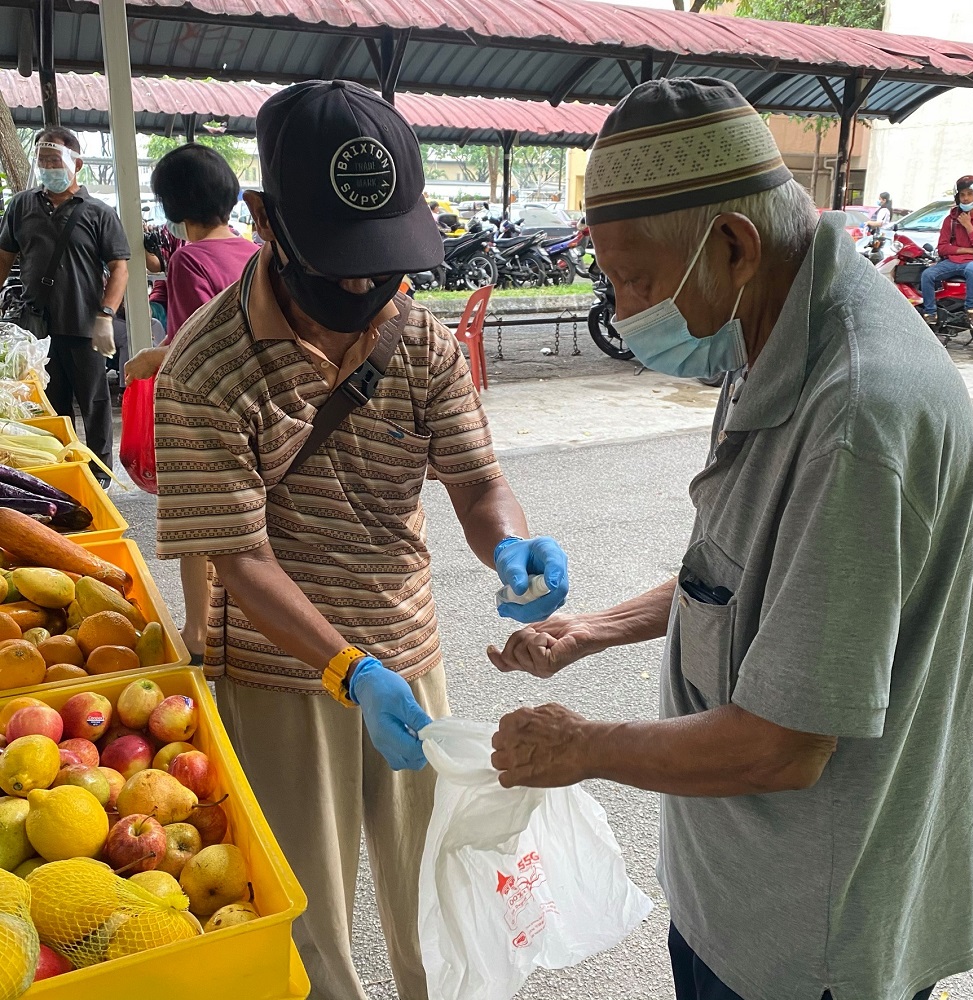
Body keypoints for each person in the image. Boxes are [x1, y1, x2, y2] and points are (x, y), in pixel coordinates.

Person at [488, 78, 973, 1000]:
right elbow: (735, 574)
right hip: (732, 898)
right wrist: (591, 629)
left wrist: (580, 746)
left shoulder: (857, 416)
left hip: (807, 941)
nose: (626, 308)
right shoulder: (770, 328)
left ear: (732, 244)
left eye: (635, 279)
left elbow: (782, 746)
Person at [153, 80, 569, 1000]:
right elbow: (237, 558)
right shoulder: (203, 370)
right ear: (264, 220)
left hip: (409, 653)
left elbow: (475, 477)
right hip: (279, 674)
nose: (366, 290)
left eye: (383, 264)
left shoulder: (417, 339)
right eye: (341, 265)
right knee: (308, 916)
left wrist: (510, 546)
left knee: (433, 889)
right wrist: (349, 671)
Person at [125, 144, 259, 664]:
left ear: (172, 206)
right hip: (258, 404)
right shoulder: (253, 253)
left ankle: (198, 633)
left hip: (208, 412)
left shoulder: (188, 261)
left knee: (195, 523)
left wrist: (148, 360)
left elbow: (194, 344)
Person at [0, 126, 130, 485]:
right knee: (48, 404)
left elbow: (120, 266)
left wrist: (106, 314)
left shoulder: (98, 212)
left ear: (77, 164)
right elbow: (4, 256)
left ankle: (100, 473)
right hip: (35, 330)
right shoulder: (21, 206)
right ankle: (61, 470)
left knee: (94, 403)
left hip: (84, 325)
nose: (47, 168)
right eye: (42, 161)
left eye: (54, 161)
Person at [920, 174, 973, 332]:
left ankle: (971, 310)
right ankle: (930, 312)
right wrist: (967, 250)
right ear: (957, 197)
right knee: (927, 275)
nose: (966, 198)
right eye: (962, 195)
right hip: (952, 261)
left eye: (969, 194)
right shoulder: (951, 219)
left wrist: (968, 226)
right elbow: (942, 248)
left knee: (971, 270)